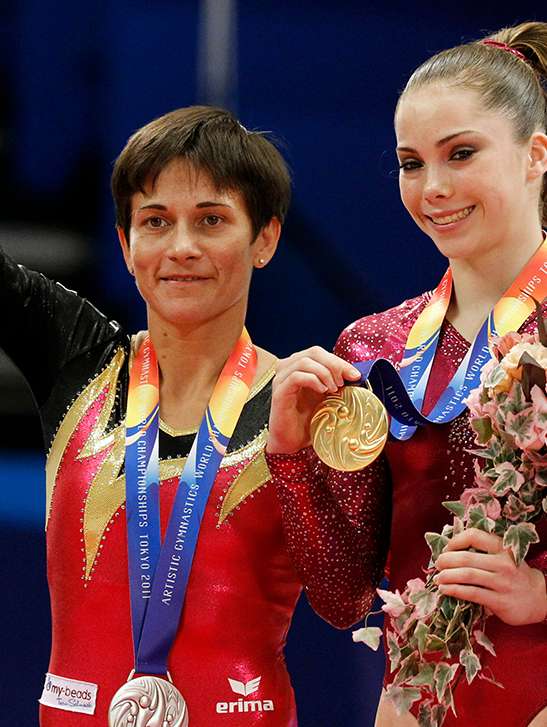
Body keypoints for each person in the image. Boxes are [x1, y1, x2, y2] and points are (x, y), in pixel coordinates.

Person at [266, 21, 547, 727]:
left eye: (461, 153)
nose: (434, 186)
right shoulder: (372, 346)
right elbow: (345, 597)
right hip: (409, 703)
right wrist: (290, 457)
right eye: (411, 163)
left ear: (535, 153)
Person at [6, 106, 302, 725]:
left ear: (265, 239)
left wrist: (299, 458)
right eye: (156, 222)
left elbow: (350, 597)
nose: (182, 248)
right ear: (125, 242)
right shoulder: (80, 365)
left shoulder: (303, 404)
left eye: (212, 220)